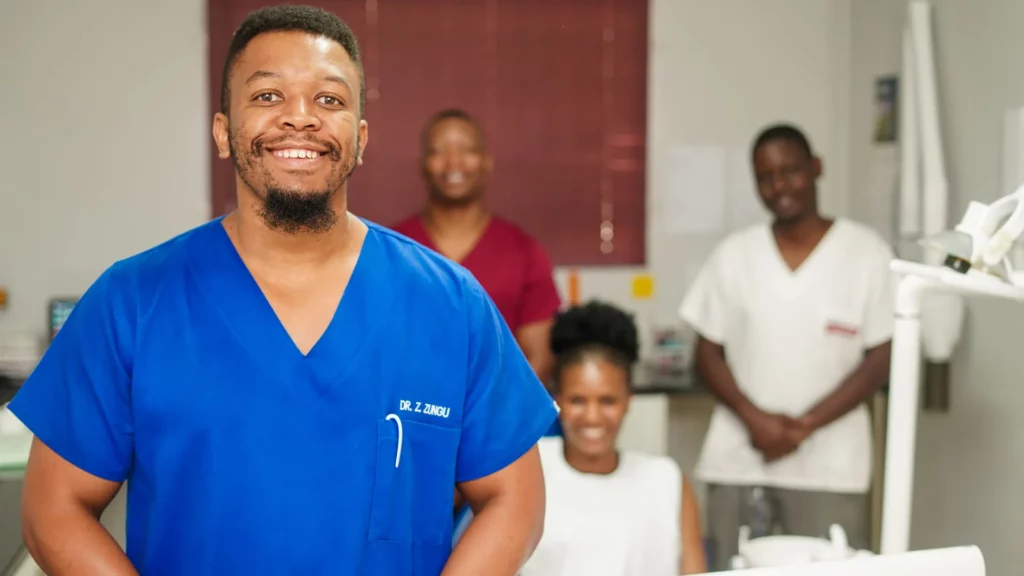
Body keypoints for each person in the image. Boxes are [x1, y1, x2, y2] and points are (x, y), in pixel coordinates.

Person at [10, 6, 556, 576]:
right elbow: (55, 510)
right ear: (224, 131)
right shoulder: (132, 302)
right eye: (268, 97)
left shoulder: (450, 304)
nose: (301, 119)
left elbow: (514, 499)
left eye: (330, 100)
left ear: (360, 137)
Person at [679, 123, 893, 570]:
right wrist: (756, 420)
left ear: (816, 168)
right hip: (738, 462)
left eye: (790, 171)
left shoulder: (866, 252)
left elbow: (880, 359)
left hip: (831, 469)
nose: (779, 186)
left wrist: (805, 426)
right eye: (765, 176)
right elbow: (706, 354)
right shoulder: (734, 255)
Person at [518, 301, 709, 576]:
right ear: (557, 399)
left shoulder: (665, 480)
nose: (592, 417)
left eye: (607, 401)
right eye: (577, 400)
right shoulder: (530, 467)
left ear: (628, 401)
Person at [392, 109, 561, 383]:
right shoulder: (392, 249)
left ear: (486, 162)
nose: (453, 162)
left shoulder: (524, 252)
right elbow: (377, 351)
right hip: (412, 419)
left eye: (467, 150)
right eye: (439, 151)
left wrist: (492, 420)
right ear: (423, 164)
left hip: (499, 421)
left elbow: (538, 358)